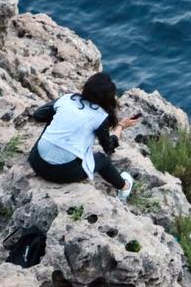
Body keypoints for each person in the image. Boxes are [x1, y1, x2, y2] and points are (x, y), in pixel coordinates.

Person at [28, 72, 140, 201]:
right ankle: (125, 187)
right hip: (61, 174)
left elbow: (38, 115)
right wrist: (120, 126)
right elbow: (108, 148)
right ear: (108, 98)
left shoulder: (67, 99)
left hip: (36, 161)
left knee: (51, 120)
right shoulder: (99, 117)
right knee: (102, 159)